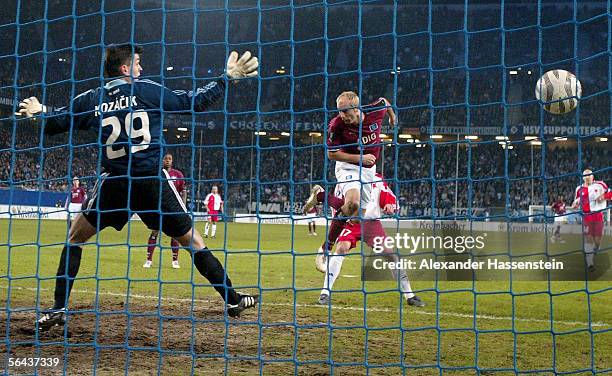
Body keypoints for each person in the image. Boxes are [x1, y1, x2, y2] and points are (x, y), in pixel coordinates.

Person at [15, 44, 260, 331]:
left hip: (115, 184)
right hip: (150, 184)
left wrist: (38, 110)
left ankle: (57, 310)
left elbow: (56, 123)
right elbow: (194, 102)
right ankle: (232, 300)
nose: (141, 69)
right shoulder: (146, 91)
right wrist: (225, 79)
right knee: (193, 242)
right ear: (125, 68)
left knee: (74, 238)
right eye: (138, 63)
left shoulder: (93, 99)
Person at [315, 174, 424, 307]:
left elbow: (390, 199)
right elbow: (338, 207)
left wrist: (390, 206)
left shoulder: (377, 179)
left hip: (372, 223)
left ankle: (409, 295)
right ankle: (325, 292)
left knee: (390, 255)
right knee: (341, 248)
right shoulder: (345, 178)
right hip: (350, 223)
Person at [143, 153, 185, 269]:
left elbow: (183, 191)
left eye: (169, 159)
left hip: (173, 209)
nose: (167, 160)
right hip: (158, 208)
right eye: (165, 159)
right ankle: (149, 260)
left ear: (172, 161)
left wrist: (183, 206)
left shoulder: (178, 174)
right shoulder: (157, 173)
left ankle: (175, 261)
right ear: (162, 161)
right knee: (154, 232)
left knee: (175, 235)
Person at [571, 169, 608, 272]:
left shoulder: (601, 184)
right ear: (582, 177)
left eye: (589, 175)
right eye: (585, 175)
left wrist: (603, 196)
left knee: (597, 241)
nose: (587, 177)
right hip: (586, 216)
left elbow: (610, 193)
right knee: (589, 239)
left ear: (593, 176)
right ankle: (590, 263)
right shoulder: (579, 189)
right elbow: (576, 202)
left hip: (598, 216)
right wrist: (575, 205)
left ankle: (596, 248)